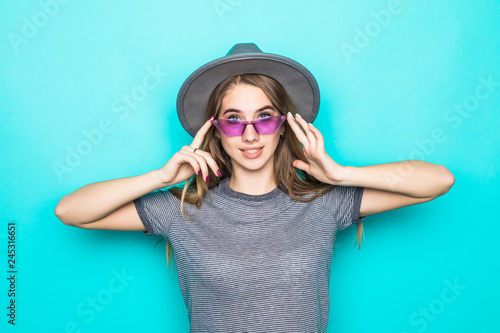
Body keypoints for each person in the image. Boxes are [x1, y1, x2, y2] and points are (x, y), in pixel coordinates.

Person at [55, 43, 455, 332]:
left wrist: (339, 174)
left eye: (264, 117)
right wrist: (160, 179)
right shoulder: (183, 210)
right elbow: (70, 211)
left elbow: (438, 181)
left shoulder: (323, 203)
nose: (250, 134)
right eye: (233, 119)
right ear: (215, 130)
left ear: (285, 125)